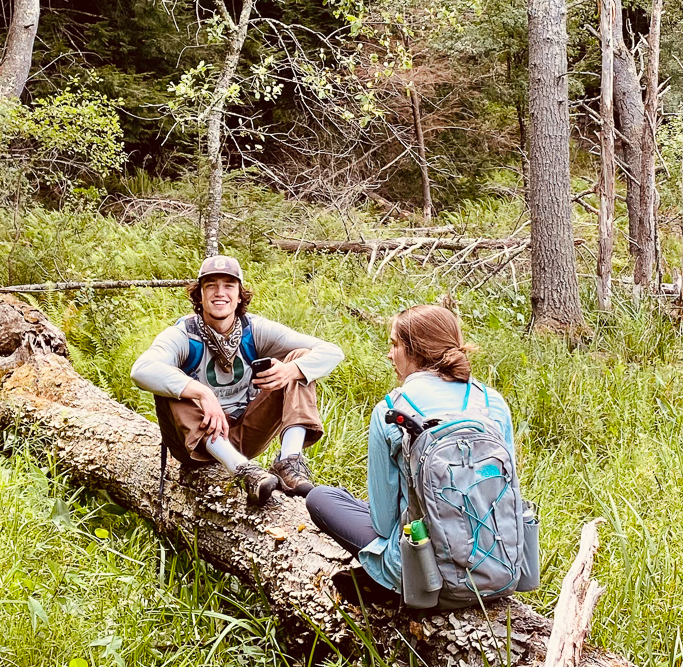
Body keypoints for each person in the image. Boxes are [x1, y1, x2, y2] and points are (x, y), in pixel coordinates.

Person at [304, 303, 515, 595]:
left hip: (422, 571)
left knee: (321, 497)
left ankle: (383, 581)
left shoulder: (391, 410)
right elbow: (509, 492)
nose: (390, 354)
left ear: (414, 351)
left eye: (394, 344)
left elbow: (383, 521)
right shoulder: (492, 403)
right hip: (497, 567)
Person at [130, 254, 343, 505]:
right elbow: (141, 370)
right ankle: (242, 472)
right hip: (194, 444)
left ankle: (289, 462)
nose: (220, 293)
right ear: (199, 294)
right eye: (211, 286)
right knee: (175, 382)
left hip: (245, 432)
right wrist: (202, 392)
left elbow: (332, 352)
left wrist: (291, 370)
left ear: (240, 294)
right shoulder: (183, 334)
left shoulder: (254, 330)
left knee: (301, 360)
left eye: (229, 286)